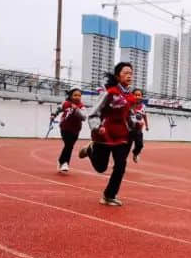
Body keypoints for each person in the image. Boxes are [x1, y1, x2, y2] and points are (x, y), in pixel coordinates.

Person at [79, 62, 135, 206]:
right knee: (101, 168)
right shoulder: (110, 93)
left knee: (121, 165)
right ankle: (91, 150)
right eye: (125, 73)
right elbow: (93, 113)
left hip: (122, 135)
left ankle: (109, 195)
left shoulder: (129, 95)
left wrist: (134, 122)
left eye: (131, 73)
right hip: (105, 133)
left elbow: (129, 114)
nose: (129, 75)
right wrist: (97, 127)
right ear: (118, 76)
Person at [53, 88, 86, 173]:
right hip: (65, 128)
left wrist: (76, 110)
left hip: (76, 130)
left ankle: (61, 161)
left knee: (69, 146)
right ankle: (65, 163)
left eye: (79, 95)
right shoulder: (66, 103)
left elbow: (84, 117)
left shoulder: (81, 106)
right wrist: (53, 115)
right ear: (71, 96)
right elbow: (58, 109)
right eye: (75, 95)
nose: (77, 97)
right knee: (69, 145)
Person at [130, 88, 149, 164]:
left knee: (140, 145)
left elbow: (144, 116)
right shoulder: (129, 104)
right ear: (132, 95)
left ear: (141, 96)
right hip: (129, 129)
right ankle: (118, 163)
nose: (137, 96)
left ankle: (135, 154)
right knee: (124, 149)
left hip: (138, 130)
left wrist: (147, 125)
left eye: (139, 95)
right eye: (136, 95)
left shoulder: (143, 106)